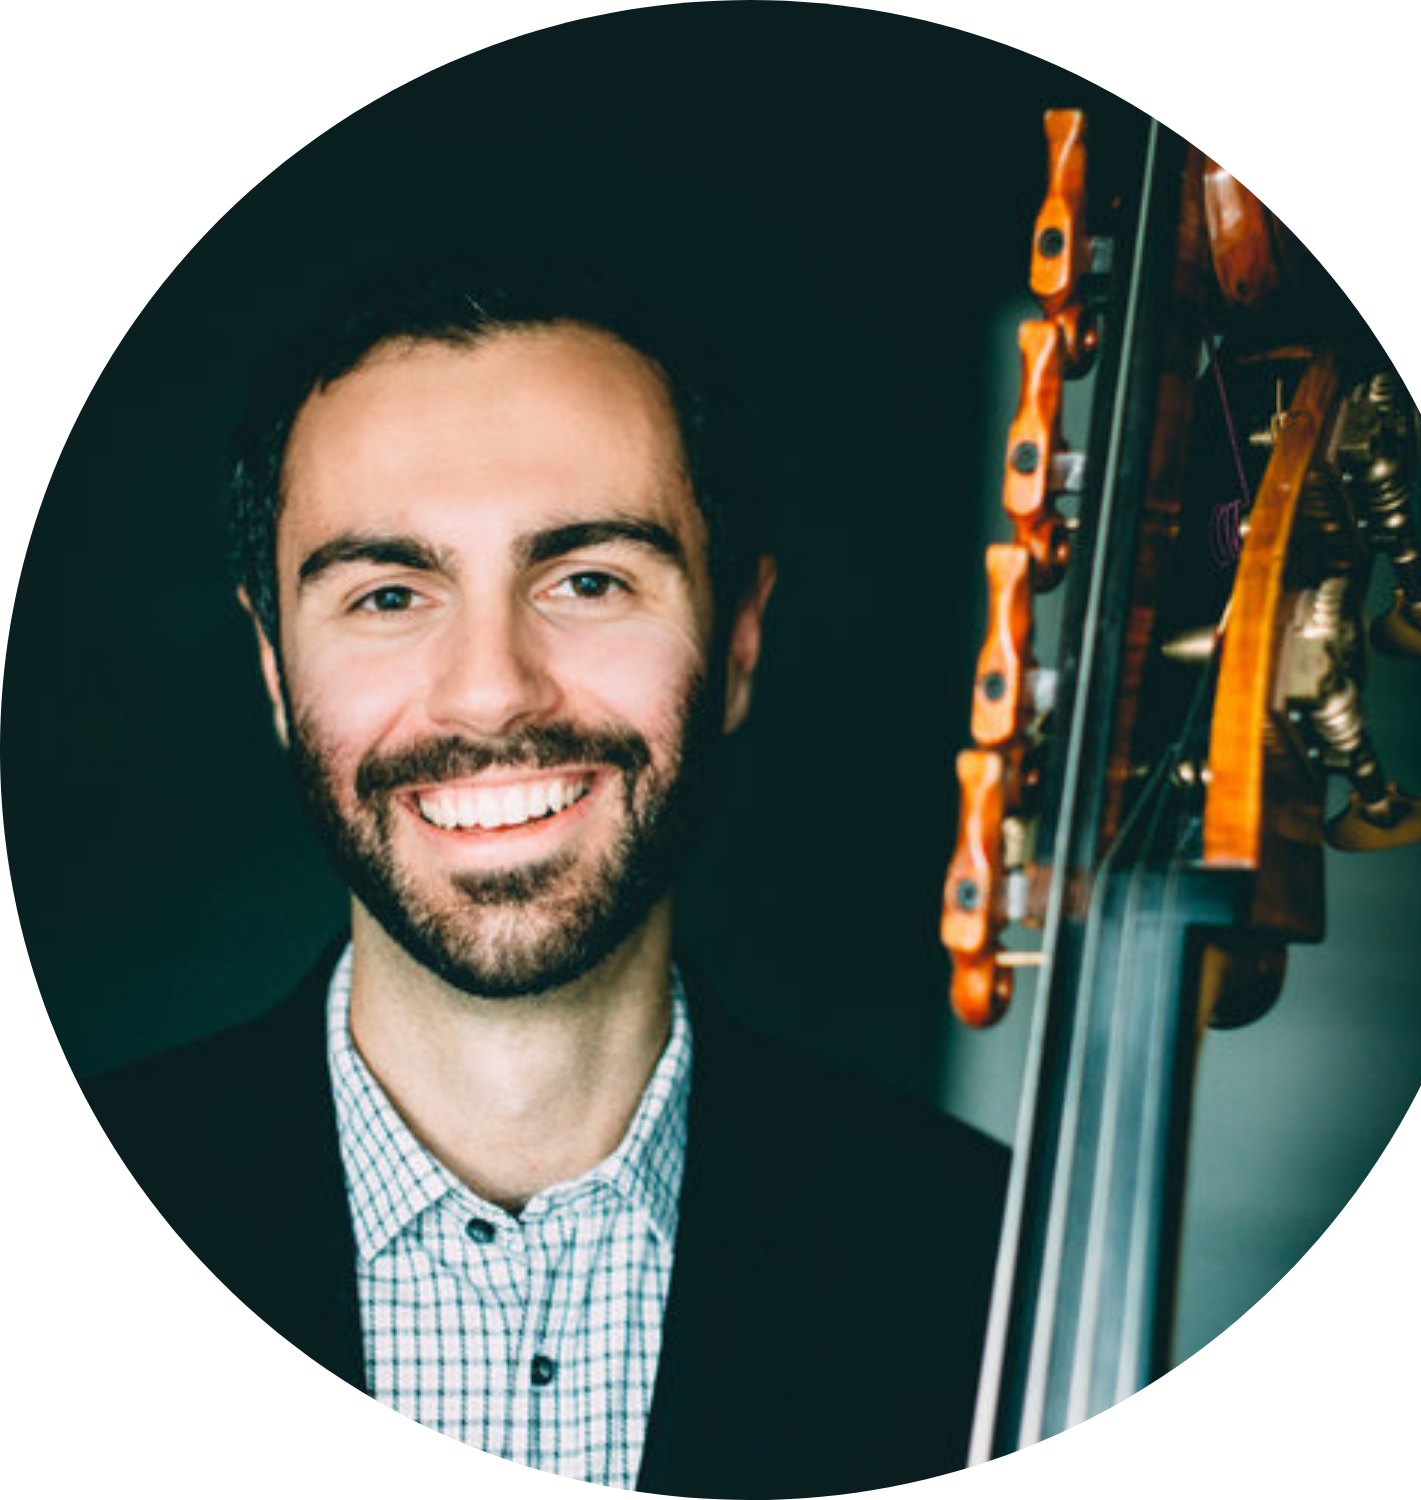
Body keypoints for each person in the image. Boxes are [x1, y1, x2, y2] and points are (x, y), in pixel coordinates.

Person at [82, 252, 1008, 1496]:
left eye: (587, 580)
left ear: (738, 639)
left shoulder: (993, 1262)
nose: (490, 692)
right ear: (274, 673)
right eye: (389, 595)